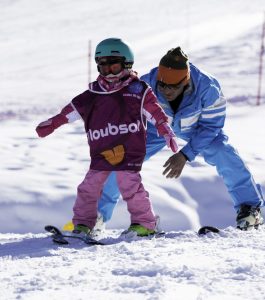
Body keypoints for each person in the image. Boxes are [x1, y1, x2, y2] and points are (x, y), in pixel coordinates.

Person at [97, 46, 264, 231]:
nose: (167, 91)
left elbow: (212, 126)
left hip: (197, 129)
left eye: (173, 87)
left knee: (222, 151)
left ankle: (250, 209)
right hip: (156, 129)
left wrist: (185, 155)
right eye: (163, 86)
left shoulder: (208, 88)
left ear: (185, 82)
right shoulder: (144, 85)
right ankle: (95, 216)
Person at [35, 38, 178, 237]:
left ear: (127, 65)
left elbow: (156, 114)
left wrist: (166, 131)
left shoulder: (137, 91)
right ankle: (83, 224)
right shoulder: (92, 94)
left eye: (114, 67)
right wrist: (52, 123)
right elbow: (70, 112)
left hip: (129, 150)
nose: (109, 72)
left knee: (129, 185)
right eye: (103, 67)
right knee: (88, 187)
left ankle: (145, 223)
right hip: (101, 151)